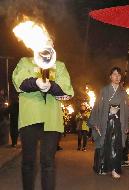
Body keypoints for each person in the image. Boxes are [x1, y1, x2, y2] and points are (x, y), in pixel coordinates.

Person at [12, 43, 74, 190]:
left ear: (53, 45)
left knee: (48, 162)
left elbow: (67, 90)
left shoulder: (59, 66)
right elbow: (18, 82)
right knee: (28, 161)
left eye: (49, 42)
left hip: (51, 119)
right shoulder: (25, 62)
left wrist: (51, 86)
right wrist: (35, 82)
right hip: (30, 118)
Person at [88, 67, 129, 179]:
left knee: (116, 145)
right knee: (103, 143)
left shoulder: (123, 91)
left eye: (119, 75)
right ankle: (101, 167)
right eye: (114, 74)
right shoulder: (104, 90)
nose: (117, 77)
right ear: (110, 76)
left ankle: (114, 169)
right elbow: (97, 106)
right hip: (105, 120)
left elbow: (127, 109)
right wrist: (96, 121)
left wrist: (126, 124)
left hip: (118, 121)